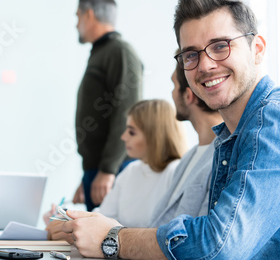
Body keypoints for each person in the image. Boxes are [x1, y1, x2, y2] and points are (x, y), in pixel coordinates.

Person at [60, 0, 280, 260]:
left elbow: (220, 243)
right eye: (191, 54)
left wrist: (113, 239)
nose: (205, 65)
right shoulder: (230, 137)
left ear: (257, 49)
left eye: (220, 47)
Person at [47, 99, 186, 232]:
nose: (123, 137)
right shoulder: (131, 170)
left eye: (132, 132)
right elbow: (103, 216)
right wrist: (64, 217)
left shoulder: (175, 172)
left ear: (155, 135)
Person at [72, 0, 143, 211]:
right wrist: (89, 175)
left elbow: (126, 112)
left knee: (106, 240)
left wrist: (108, 170)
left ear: (88, 15)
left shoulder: (119, 51)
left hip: (114, 169)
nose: (76, 25)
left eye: (77, 16)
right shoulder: (102, 52)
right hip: (99, 170)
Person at [149, 59, 222, 227]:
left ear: (188, 96)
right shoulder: (189, 157)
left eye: (174, 86)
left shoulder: (223, 156)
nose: (172, 94)